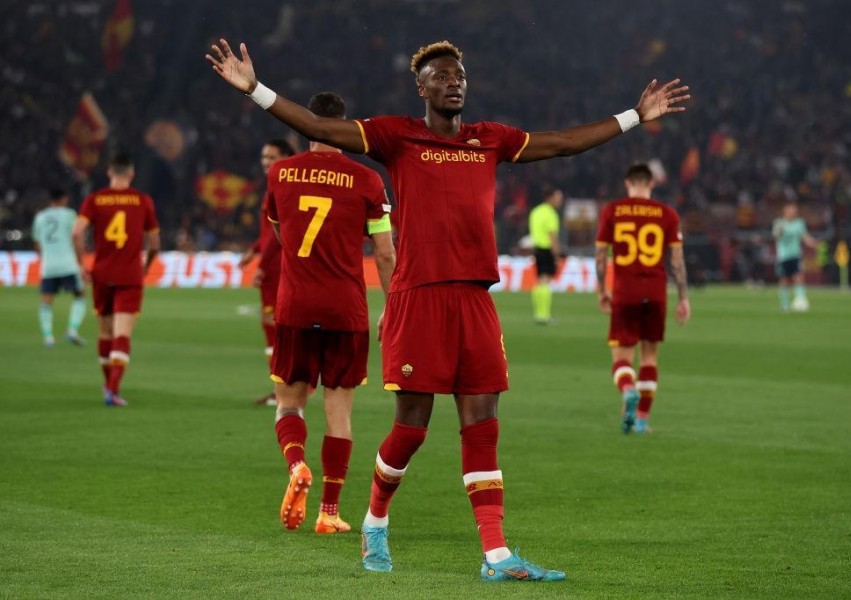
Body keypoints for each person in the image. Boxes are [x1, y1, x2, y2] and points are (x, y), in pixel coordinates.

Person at [206, 37, 689, 582]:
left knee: (483, 425)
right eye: (442, 76)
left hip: (475, 300)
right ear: (423, 88)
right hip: (418, 298)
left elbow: (561, 143)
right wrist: (256, 91)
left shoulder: (491, 139)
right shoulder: (395, 136)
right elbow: (324, 130)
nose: (454, 81)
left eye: (459, 75)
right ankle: (375, 523)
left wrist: (634, 116)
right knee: (411, 429)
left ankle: (497, 555)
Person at [263, 91, 395, 536]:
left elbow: (281, 231)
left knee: (288, 404)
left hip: (295, 306)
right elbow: (385, 253)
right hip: (346, 311)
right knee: (339, 413)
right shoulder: (368, 181)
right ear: (343, 127)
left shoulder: (280, 173)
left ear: (305, 125)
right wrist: (392, 305)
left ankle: (297, 464)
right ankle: (329, 511)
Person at [595, 164, 690, 434]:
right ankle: (641, 420)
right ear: (651, 184)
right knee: (649, 357)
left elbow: (601, 257)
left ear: (628, 183)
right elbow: (677, 261)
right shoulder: (667, 214)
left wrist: (602, 290)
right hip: (656, 292)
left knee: (621, 357)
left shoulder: (613, 211)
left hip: (625, 292)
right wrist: (683, 298)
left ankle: (627, 389)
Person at [72, 154, 160, 407]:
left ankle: (106, 386)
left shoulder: (95, 199)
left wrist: (81, 265)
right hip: (130, 274)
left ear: (110, 172)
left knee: (105, 332)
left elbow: (76, 233)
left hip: (101, 272)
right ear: (131, 174)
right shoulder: (142, 200)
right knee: (122, 333)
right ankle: (113, 388)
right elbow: (154, 243)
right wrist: (146, 265)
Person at [238, 139, 296, 406]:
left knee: (275, 329)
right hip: (273, 264)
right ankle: (282, 388)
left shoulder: (284, 186)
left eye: (271, 157)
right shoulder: (275, 186)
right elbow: (267, 234)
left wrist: (261, 266)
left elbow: (278, 233)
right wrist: (254, 249)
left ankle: (285, 390)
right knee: (271, 327)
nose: (265, 162)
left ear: (285, 158)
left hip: (277, 267)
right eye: (263, 157)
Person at [31, 188, 87, 347]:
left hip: (48, 265)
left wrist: (45, 257)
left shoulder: (40, 217)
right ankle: (72, 330)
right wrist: (80, 263)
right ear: (64, 199)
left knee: (46, 301)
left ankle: (48, 337)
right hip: (68, 263)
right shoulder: (70, 214)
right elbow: (77, 238)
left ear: (50, 200)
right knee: (80, 295)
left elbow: (36, 243)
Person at [772, 201, 817, 312]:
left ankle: (800, 300)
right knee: (784, 279)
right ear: (785, 211)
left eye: (794, 210)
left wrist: (814, 243)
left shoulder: (799, 223)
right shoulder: (779, 223)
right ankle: (785, 303)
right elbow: (776, 237)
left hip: (795, 255)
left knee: (799, 277)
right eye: (790, 210)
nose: (792, 212)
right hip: (783, 256)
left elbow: (804, 236)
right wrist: (779, 232)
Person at [528, 188, 564, 324]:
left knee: (539, 281)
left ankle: (538, 313)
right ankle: (544, 315)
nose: (560, 200)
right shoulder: (551, 214)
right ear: (550, 198)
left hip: (537, 248)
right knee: (546, 281)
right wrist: (556, 254)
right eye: (558, 197)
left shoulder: (535, 211)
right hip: (547, 249)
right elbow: (552, 235)